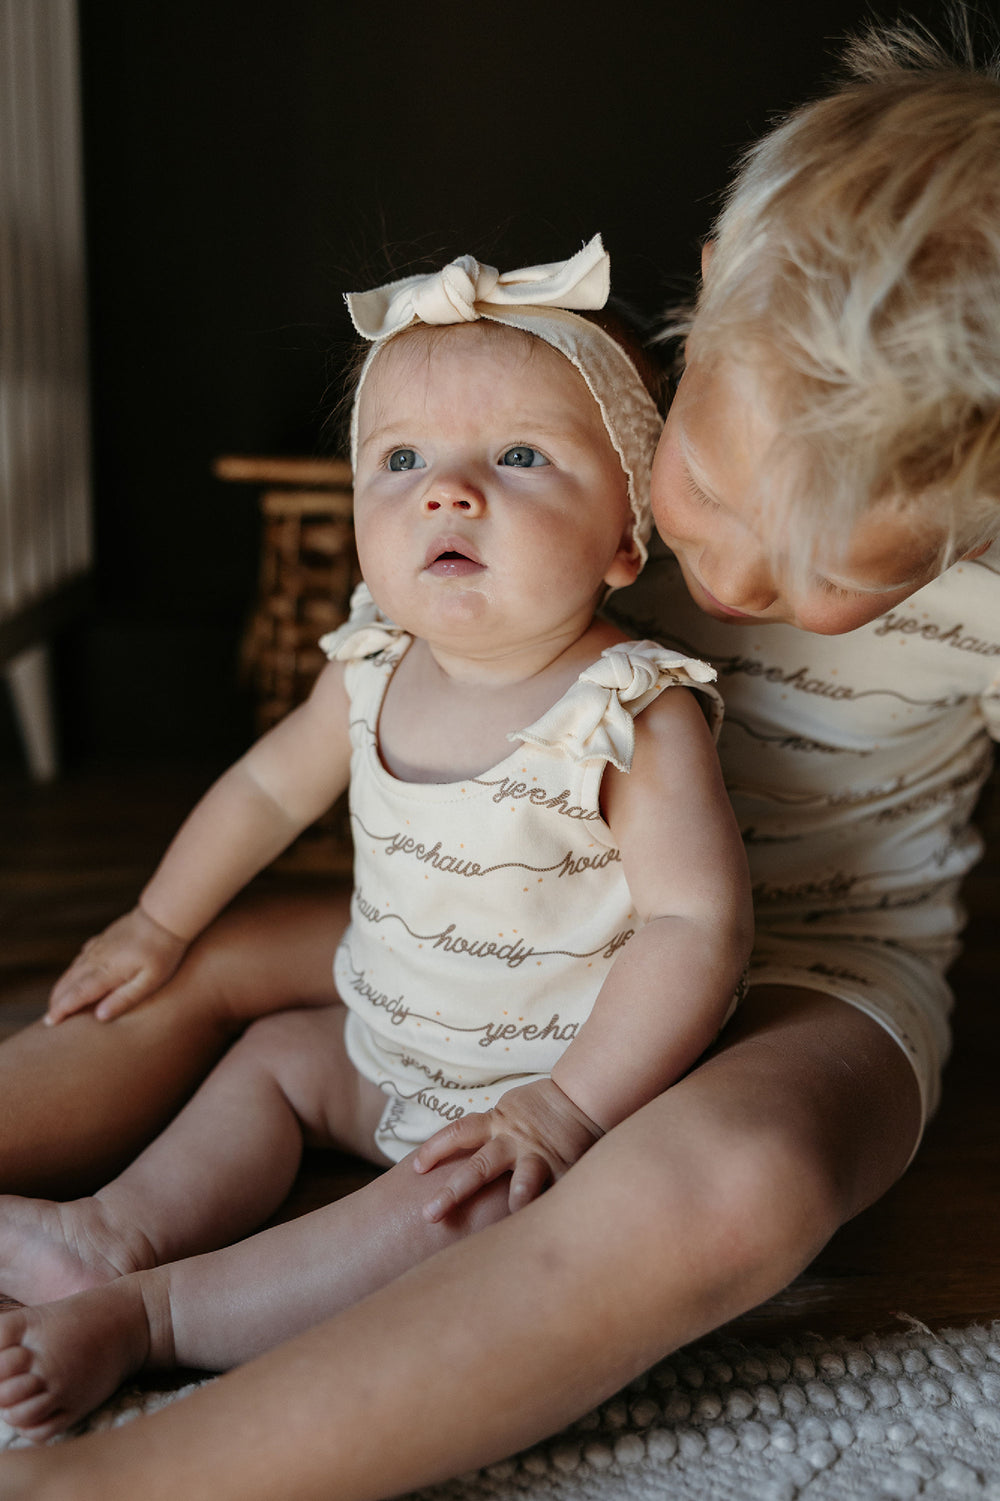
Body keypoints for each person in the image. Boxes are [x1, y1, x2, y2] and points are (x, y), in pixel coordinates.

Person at [0, 16, 997, 1501]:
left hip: (813, 968)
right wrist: (162, 913)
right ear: (711, 293)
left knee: (745, 1180)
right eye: (708, 497)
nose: (724, 576)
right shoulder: (573, 425)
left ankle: (130, 1481)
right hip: (525, 910)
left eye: (823, 574)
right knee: (193, 957)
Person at [0, 238, 752, 1438]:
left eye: (517, 457)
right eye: (400, 460)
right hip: (378, 1047)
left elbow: (695, 926)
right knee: (273, 1065)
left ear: (624, 539)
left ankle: (154, 1316)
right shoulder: (373, 663)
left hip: (528, 1103)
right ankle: (111, 1230)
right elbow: (257, 791)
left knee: (428, 1216)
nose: (446, 492)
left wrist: (564, 1112)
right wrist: (157, 921)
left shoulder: (624, 711)